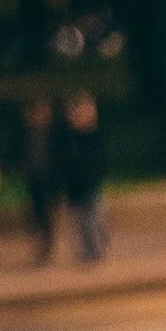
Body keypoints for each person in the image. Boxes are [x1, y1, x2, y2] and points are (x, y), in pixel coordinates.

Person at [56, 91, 109, 261]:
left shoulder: (94, 135)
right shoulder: (68, 138)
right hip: (75, 186)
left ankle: (94, 249)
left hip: (90, 183)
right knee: (83, 220)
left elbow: (98, 161)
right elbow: (64, 164)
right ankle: (92, 247)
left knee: (91, 217)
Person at [20, 98, 61, 262]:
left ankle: (47, 246)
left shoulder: (54, 133)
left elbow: (60, 157)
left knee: (48, 215)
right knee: (36, 215)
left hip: (50, 180)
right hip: (34, 180)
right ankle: (41, 246)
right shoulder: (26, 133)